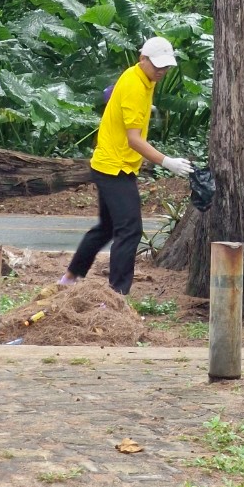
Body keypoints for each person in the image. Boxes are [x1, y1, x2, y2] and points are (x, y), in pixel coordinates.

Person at [58, 37, 193, 295]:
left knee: (107, 227)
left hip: (114, 164)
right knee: (130, 230)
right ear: (143, 59)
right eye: (158, 66)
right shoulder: (134, 85)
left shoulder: (141, 78)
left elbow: (115, 98)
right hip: (114, 168)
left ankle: (70, 277)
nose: (162, 71)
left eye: (166, 66)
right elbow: (134, 140)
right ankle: (117, 294)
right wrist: (167, 162)